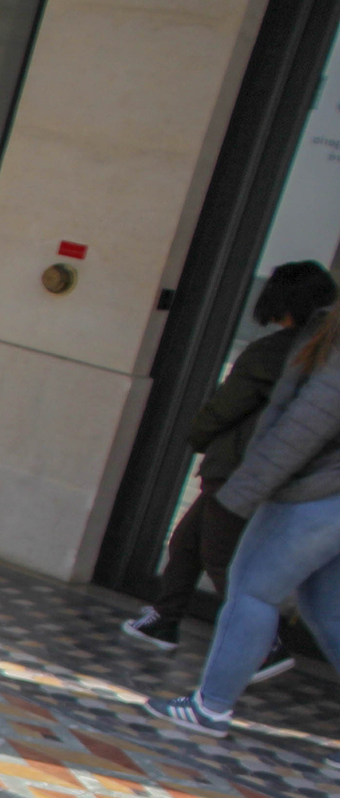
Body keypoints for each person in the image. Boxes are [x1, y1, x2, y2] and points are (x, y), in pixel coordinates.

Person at [121, 259, 337, 678]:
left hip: (239, 470)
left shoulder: (276, 352)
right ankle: (165, 619)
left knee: (226, 561)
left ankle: (262, 647)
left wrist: (198, 436)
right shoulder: (319, 353)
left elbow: (225, 409)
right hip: (263, 474)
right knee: (188, 542)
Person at [146, 304, 340, 738]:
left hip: (318, 493)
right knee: (328, 612)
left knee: (252, 589)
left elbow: (304, 428)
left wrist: (244, 490)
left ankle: (210, 707)